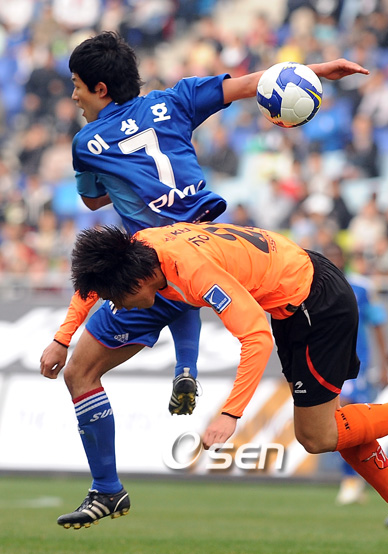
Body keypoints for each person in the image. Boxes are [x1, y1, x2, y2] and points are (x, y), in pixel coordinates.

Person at [38, 30, 370, 528]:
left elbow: (91, 201)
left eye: (77, 85)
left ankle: (107, 488)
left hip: (152, 267)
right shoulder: (176, 100)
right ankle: (186, 367)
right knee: (183, 290)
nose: (73, 95)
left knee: (80, 372)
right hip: (207, 248)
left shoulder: (87, 143)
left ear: (100, 89)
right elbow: (250, 84)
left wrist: (64, 336)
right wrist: (315, 72)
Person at [69, 221, 388, 553]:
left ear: (139, 279)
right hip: (294, 297)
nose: (118, 307)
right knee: (329, 427)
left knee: (316, 435)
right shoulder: (141, 245)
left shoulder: (192, 272)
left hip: (315, 305)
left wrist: (230, 413)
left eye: (118, 299)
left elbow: (255, 337)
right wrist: (63, 335)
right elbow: (95, 281)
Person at [323, 242, 388, 505]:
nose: (332, 261)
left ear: (343, 259)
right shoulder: (313, 288)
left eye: (336, 256)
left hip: (356, 364)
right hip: (327, 364)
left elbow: (378, 323)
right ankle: (358, 477)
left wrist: (384, 363)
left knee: (351, 417)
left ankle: (352, 479)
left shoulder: (361, 288)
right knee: (346, 422)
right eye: (328, 256)